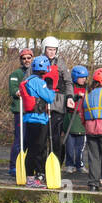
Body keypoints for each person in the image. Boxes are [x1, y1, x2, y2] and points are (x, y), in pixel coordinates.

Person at [19, 54, 57, 186]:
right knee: (36, 150)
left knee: (33, 149)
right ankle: (31, 179)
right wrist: (51, 89)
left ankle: (35, 176)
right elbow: (49, 98)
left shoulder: (29, 79)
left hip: (30, 119)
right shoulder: (39, 82)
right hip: (38, 120)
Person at [42, 36, 73, 167]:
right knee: (42, 138)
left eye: (54, 50)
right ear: (44, 49)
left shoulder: (60, 63)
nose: (52, 52)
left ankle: (55, 165)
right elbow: (28, 79)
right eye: (49, 49)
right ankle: (41, 167)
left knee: (55, 137)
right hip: (42, 104)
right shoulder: (38, 62)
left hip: (58, 104)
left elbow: (68, 82)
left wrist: (70, 97)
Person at [7, 47, 34, 178]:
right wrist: (21, 92)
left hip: (32, 110)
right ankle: (13, 166)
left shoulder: (37, 73)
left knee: (30, 139)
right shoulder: (16, 74)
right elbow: (13, 90)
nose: (26, 60)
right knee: (19, 139)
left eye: (29, 58)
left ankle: (27, 165)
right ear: (21, 60)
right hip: (20, 110)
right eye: (24, 58)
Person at [64, 65, 89, 173]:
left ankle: (80, 164)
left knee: (80, 147)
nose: (84, 79)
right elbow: (67, 100)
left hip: (82, 120)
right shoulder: (70, 88)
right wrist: (75, 97)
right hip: (71, 118)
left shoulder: (88, 88)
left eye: (85, 77)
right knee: (69, 145)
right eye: (81, 77)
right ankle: (69, 164)